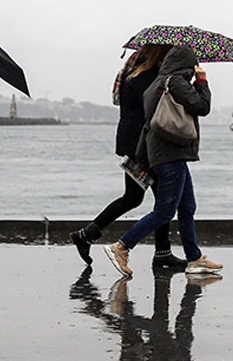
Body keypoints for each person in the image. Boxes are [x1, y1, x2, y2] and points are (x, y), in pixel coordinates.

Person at [104, 45, 222, 276]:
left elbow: (149, 123)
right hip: (171, 155)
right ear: (185, 64)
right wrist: (202, 81)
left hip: (164, 154)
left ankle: (195, 258)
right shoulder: (175, 83)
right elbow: (202, 106)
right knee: (165, 210)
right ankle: (122, 246)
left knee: (187, 207)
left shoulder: (156, 84)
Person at [69, 45, 187, 269]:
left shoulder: (131, 74)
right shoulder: (152, 79)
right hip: (144, 146)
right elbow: (154, 111)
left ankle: (87, 235)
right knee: (163, 200)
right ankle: (161, 253)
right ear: (160, 55)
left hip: (130, 143)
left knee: (134, 197)